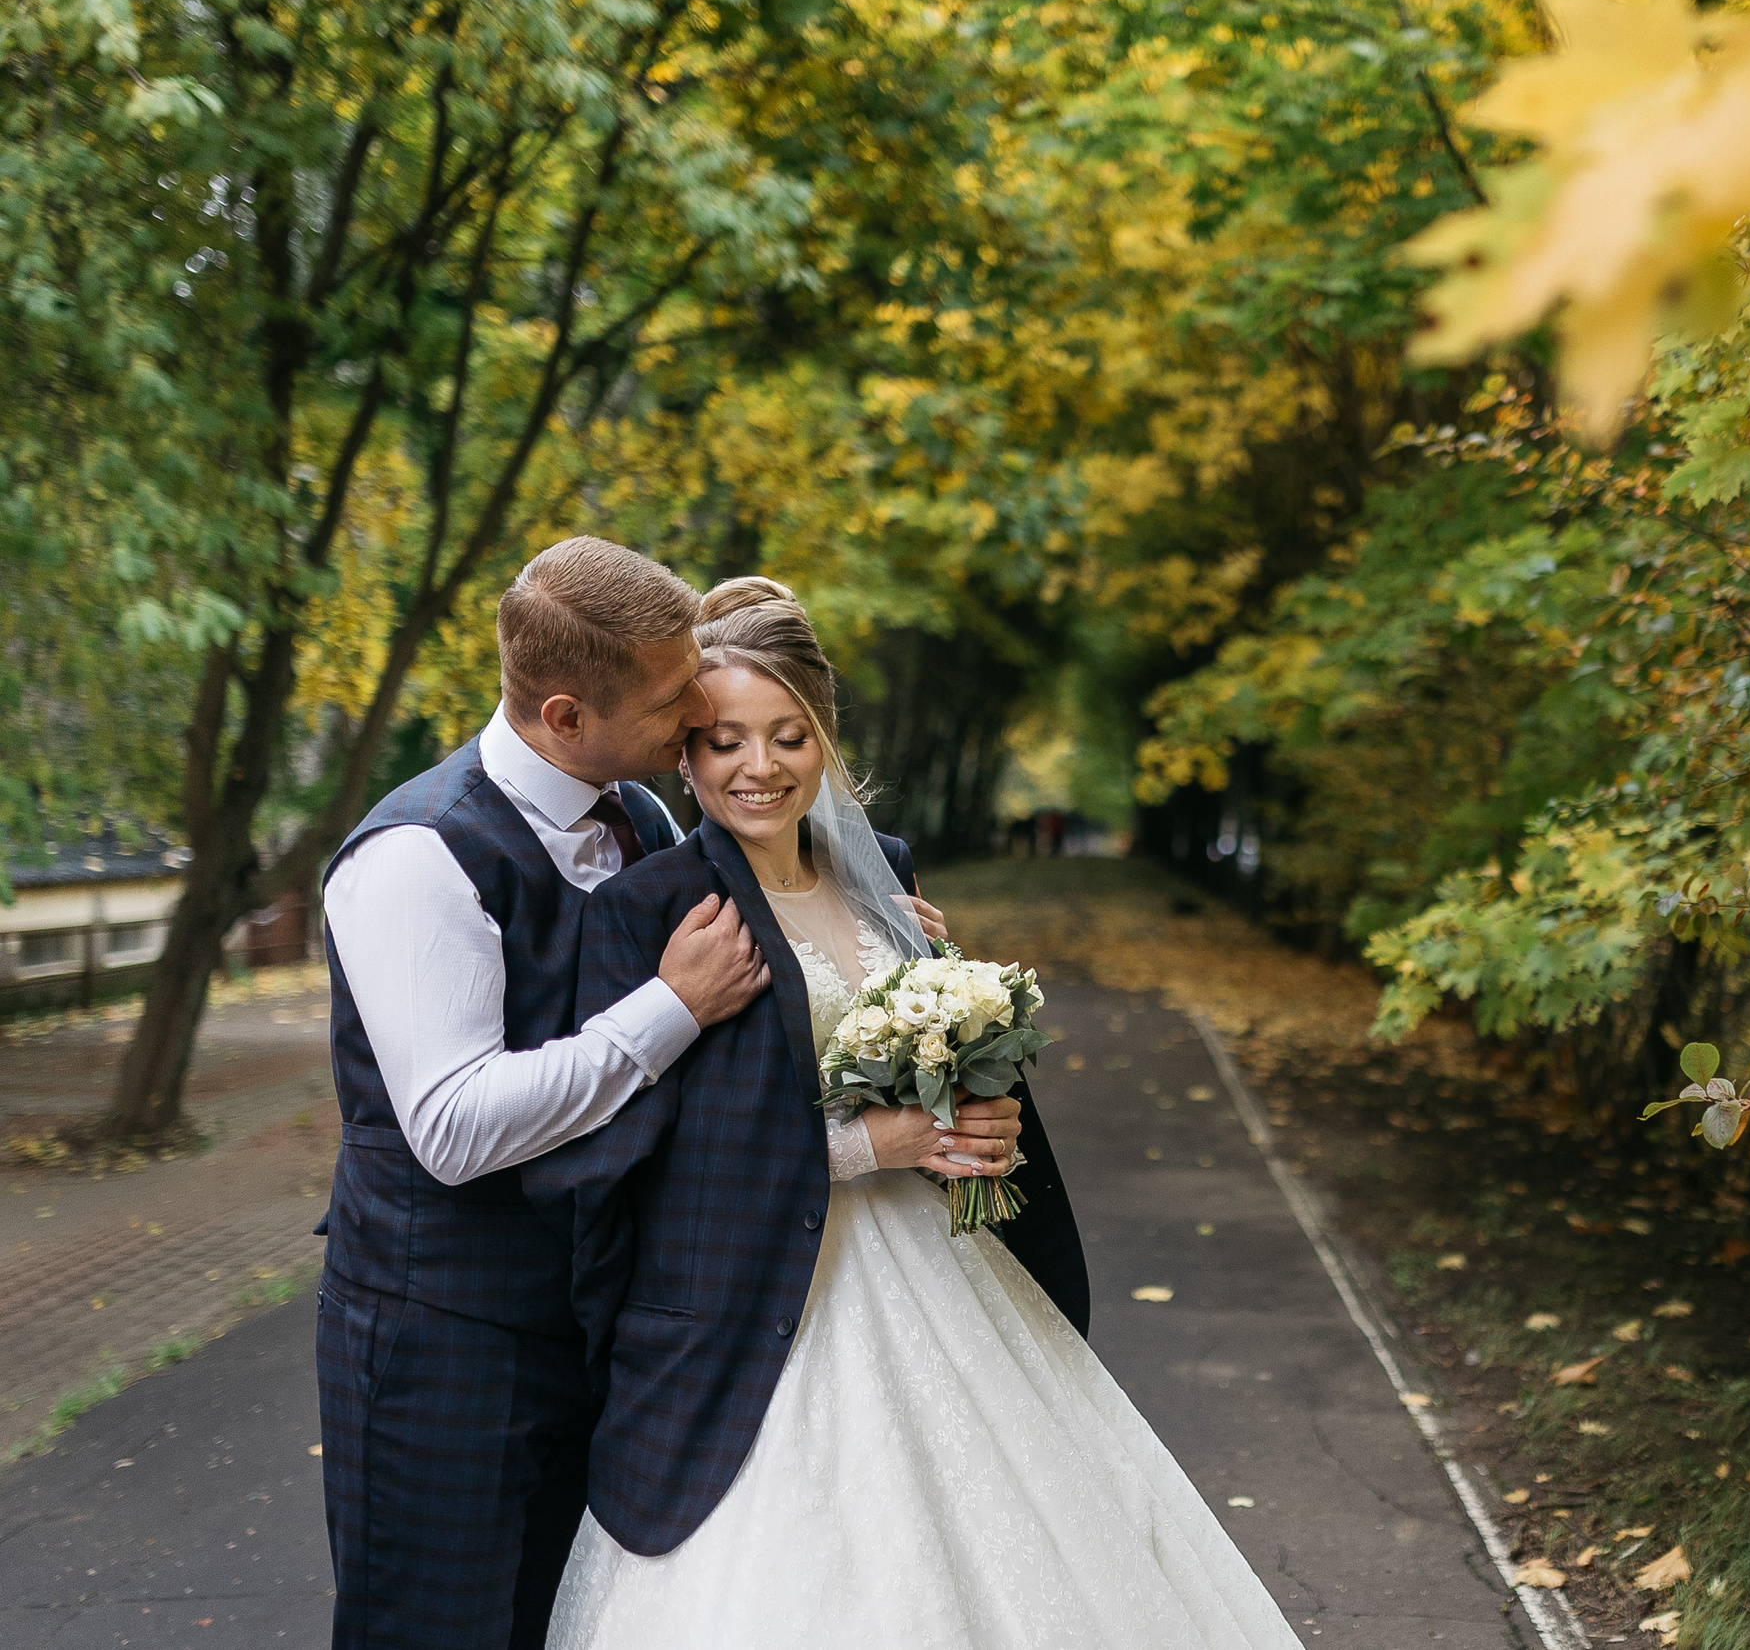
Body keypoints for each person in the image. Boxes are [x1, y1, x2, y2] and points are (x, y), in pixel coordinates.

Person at [526, 579, 1300, 1649]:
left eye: (789, 736)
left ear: (827, 739)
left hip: (940, 1266)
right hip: (752, 1304)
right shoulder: (645, 911)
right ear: (686, 754)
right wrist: (869, 1145)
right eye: (724, 742)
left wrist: (972, 1115)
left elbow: (929, 1053)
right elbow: (642, 1153)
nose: (759, 767)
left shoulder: (887, 878)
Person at [311, 537, 1026, 1650]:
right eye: (670, 698)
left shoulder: (640, 821)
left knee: (569, 1618)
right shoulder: (416, 856)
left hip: (618, 1315)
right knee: (437, 1624)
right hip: (447, 1325)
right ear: (564, 717)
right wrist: (668, 1011)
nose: (697, 702)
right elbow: (450, 1129)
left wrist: (881, 935)